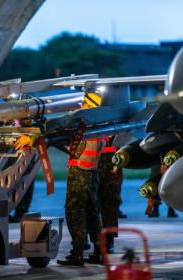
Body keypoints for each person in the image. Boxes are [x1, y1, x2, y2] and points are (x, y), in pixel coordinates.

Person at [57, 88, 103, 266]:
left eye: (84, 102)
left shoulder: (85, 123)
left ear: (89, 105)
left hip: (79, 172)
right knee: (92, 213)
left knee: (75, 211)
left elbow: (69, 137)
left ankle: (77, 254)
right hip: (91, 172)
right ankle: (99, 251)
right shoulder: (99, 122)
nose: (81, 105)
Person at [97, 136, 122, 253]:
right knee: (90, 206)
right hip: (94, 165)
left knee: (110, 205)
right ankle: (89, 240)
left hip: (111, 167)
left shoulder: (117, 123)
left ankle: (109, 240)